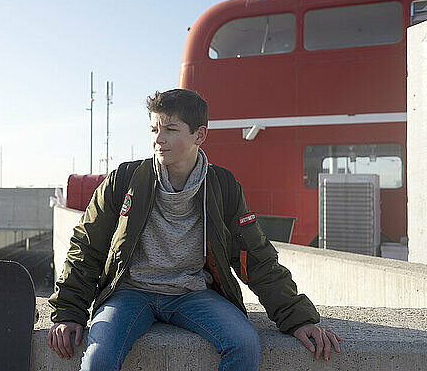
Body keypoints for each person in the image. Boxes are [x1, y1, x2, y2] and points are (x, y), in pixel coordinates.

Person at [48, 89, 342, 370]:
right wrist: (69, 313)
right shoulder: (124, 180)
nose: (158, 140)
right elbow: (86, 246)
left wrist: (298, 319)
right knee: (98, 359)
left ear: (199, 135)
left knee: (245, 343)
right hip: (130, 293)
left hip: (193, 294)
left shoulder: (222, 186)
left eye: (170, 130)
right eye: (154, 130)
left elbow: (255, 255)